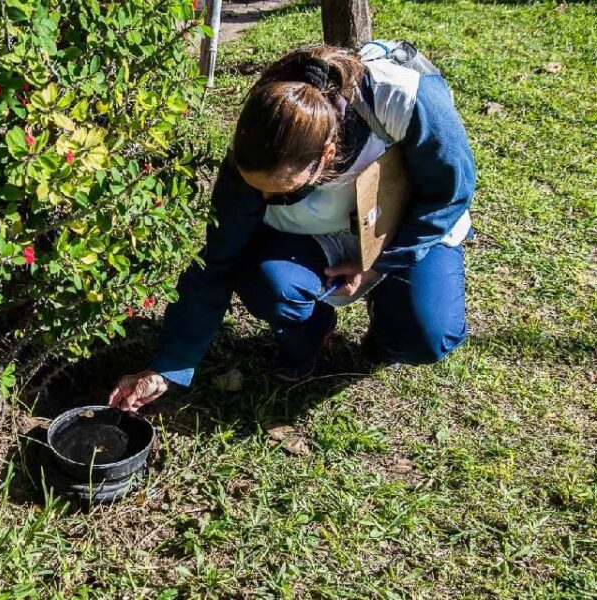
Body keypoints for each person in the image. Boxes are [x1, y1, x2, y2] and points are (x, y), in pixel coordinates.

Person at [108, 42, 476, 412]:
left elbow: (450, 194)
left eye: (281, 193)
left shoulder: (404, 99)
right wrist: (166, 368)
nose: (263, 200)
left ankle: (387, 334)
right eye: (257, 190)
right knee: (270, 284)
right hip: (317, 234)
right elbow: (216, 264)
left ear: (327, 155)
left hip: (403, 224)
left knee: (427, 334)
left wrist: (378, 264)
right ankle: (314, 330)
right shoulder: (255, 153)